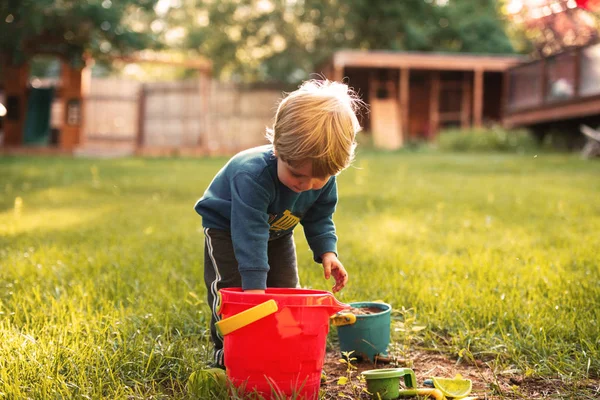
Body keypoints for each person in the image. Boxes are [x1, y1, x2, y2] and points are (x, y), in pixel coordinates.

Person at [194, 79, 363, 368]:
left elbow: (320, 216)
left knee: (286, 289)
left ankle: (281, 344)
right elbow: (249, 234)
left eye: (317, 179)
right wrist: (255, 292)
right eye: (297, 174)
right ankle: (227, 352)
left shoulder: (322, 178)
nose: (306, 185)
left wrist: (328, 252)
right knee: (234, 291)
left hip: (277, 230)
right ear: (277, 149)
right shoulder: (253, 176)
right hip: (228, 230)